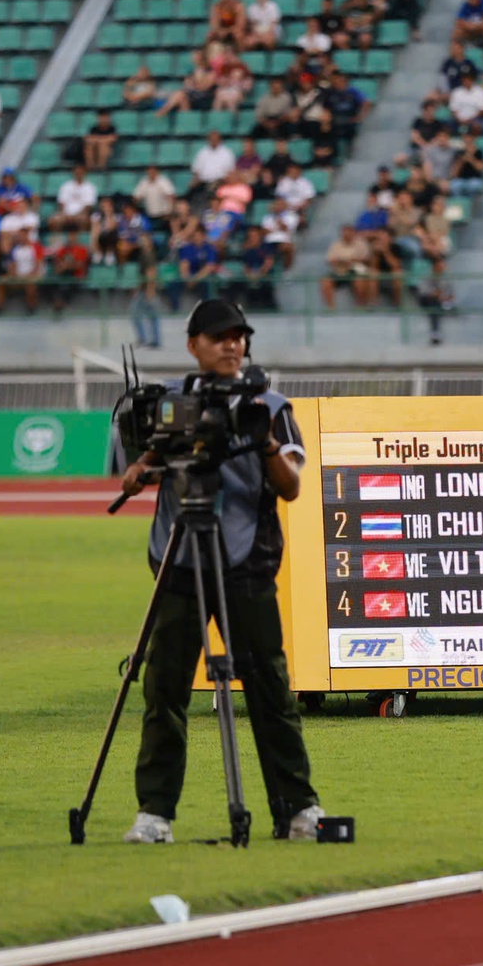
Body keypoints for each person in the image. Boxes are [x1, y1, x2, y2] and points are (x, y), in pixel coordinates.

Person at [116, 300, 324, 842]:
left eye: (239, 336)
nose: (232, 345)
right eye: (219, 337)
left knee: (269, 687)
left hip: (246, 562)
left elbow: (291, 486)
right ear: (194, 346)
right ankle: (154, 813)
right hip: (179, 558)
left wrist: (264, 439)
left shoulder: (270, 405)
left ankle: (298, 809)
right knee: (164, 689)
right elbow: (142, 464)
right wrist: (143, 465)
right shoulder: (172, 402)